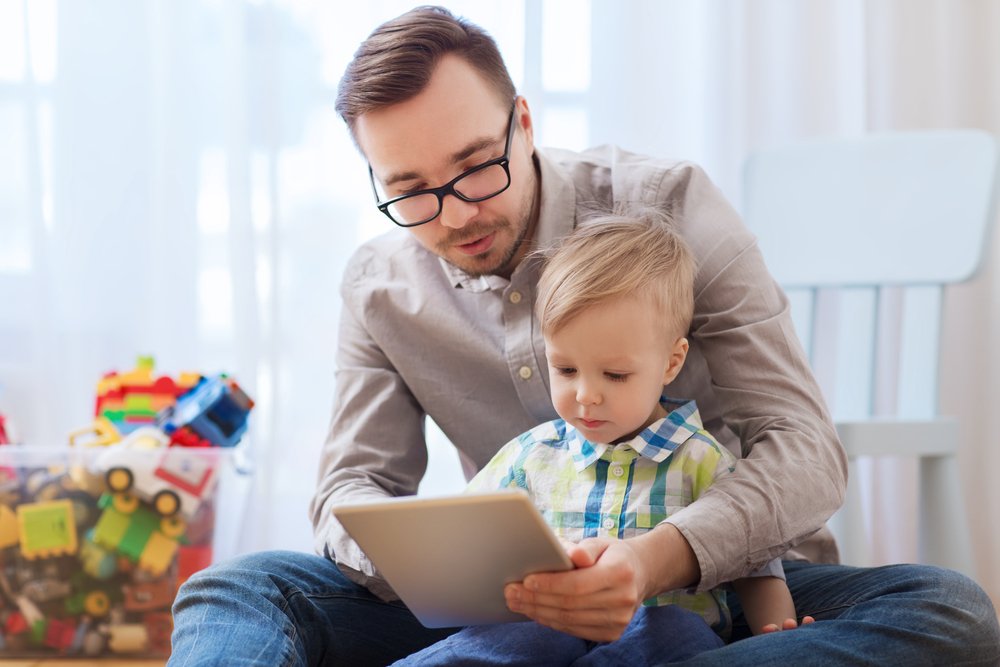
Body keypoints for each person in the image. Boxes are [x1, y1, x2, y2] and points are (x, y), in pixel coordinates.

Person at [168, 6, 1000, 666]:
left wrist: (652, 560)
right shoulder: (378, 285)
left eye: (475, 167)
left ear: (523, 120)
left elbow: (805, 449)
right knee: (237, 590)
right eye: (412, 191)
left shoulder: (670, 207)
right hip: (499, 619)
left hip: (714, 597)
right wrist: (469, 569)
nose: (456, 212)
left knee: (948, 611)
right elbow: (353, 490)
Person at [393, 213, 813, 666]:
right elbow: (465, 532)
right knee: (507, 639)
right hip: (545, 633)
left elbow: (755, 567)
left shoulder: (701, 460)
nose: (586, 395)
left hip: (655, 634)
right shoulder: (532, 455)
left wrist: (776, 635)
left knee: (675, 630)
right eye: (566, 369)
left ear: (671, 363)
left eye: (615, 375)